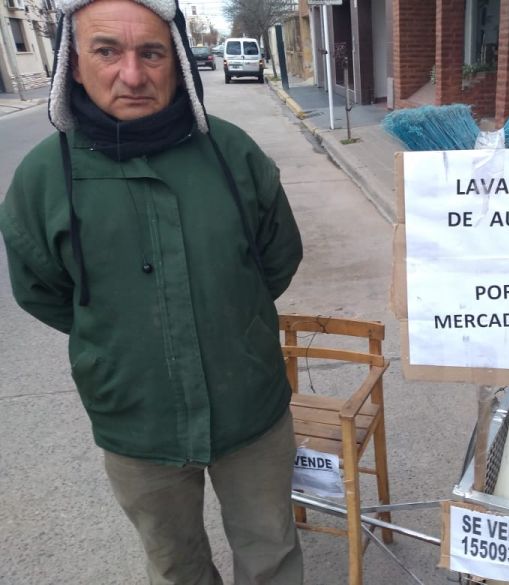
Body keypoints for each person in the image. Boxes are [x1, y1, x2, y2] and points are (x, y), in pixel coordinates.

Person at [0, 0, 304, 583]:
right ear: (73, 62)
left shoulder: (231, 152)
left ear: (178, 61)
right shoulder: (43, 178)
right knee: (174, 565)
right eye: (107, 50)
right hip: (137, 422)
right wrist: (125, 337)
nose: (132, 75)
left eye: (152, 53)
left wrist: (230, 322)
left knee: (272, 551)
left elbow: (276, 260)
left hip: (251, 407)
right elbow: (44, 291)